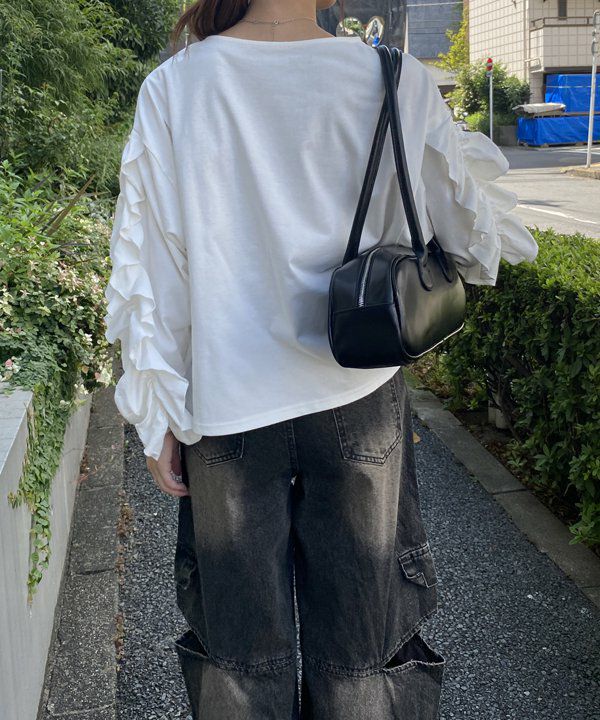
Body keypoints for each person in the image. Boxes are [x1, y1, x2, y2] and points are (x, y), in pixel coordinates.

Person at [103, 1, 539, 718]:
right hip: (359, 396)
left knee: (241, 663)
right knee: (362, 659)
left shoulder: (176, 86)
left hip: (227, 403)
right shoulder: (395, 77)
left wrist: (160, 418)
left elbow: (155, 271)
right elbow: (472, 243)